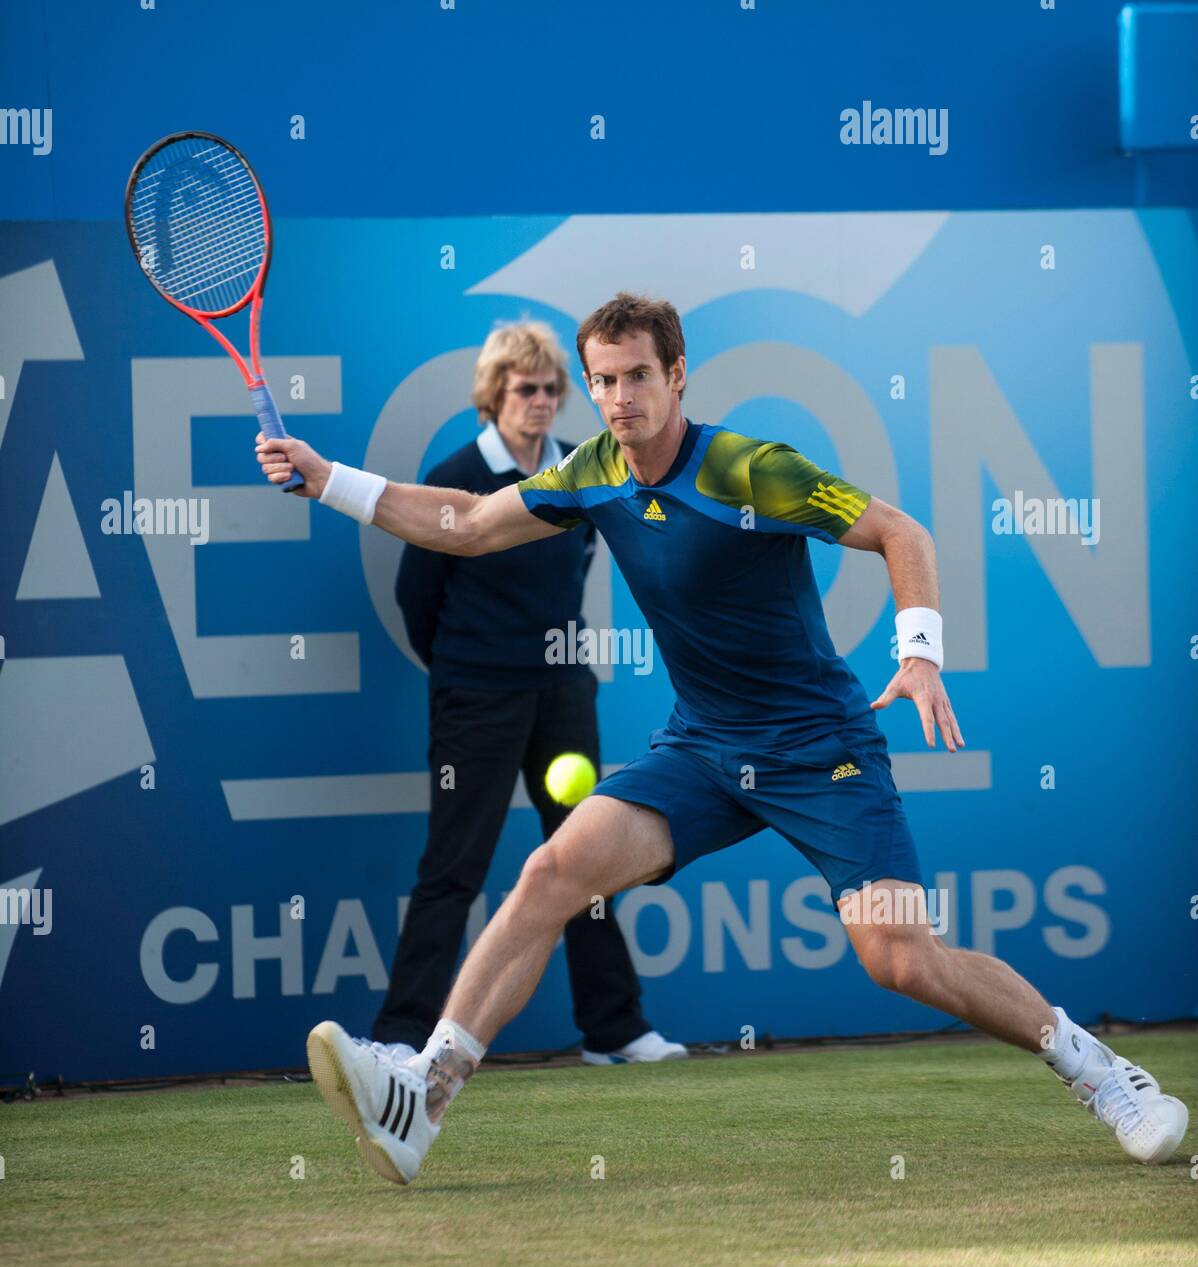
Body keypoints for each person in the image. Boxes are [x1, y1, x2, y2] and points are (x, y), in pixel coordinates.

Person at [258, 292, 1188, 1186]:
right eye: (604, 381)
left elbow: (898, 533)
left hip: (819, 744)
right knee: (552, 873)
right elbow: (463, 524)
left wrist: (921, 652)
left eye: (636, 378)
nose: (619, 399)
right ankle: (425, 1094)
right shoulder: (591, 472)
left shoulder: (751, 468)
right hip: (704, 748)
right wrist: (329, 479)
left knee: (902, 960)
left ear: (677, 378)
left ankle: (1103, 1072)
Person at [373, 322, 685, 1067]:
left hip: (564, 694)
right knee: (454, 870)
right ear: (494, 395)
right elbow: (418, 597)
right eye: (525, 390)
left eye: (551, 389)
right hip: (476, 701)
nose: (542, 402)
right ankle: (398, 1041)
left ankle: (614, 1030)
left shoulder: (577, 476)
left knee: (589, 861)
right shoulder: (456, 476)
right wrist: (467, 672)